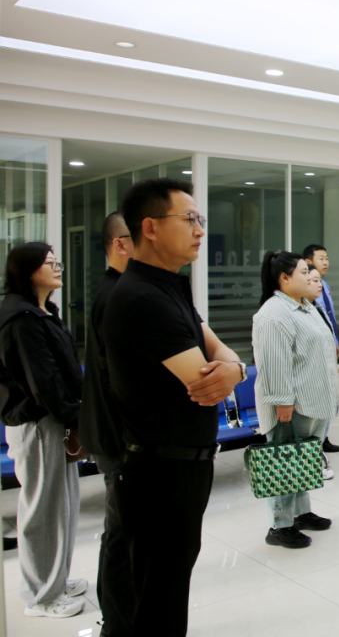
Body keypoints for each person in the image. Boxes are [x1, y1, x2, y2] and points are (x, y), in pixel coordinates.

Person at [102, 178, 245, 636]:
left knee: (167, 590)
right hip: (158, 473)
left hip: (182, 467)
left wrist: (236, 369)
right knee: (158, 604)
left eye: (199, 219)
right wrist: (230, 370)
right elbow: (205, 380)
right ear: (150, 227)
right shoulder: (140, 297)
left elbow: (221, 354)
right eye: (189, 219)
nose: (200, 229)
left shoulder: (169, 288)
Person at [0, 243, 86, 618]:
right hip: (37, 423)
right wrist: (76, 415)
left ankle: (55, 579)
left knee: (62, 505)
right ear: (27, 271)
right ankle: (41, 596)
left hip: (54, 419)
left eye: (57, 262)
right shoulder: (21, 318)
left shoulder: (43, 311)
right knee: (42, 510)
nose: (57, 268)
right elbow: (43, 381)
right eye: (49, 263)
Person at [252, 251, 339, 548]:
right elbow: (275, 363)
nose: (311, 276)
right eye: (304, 272)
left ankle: (301, 513)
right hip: (292, 405)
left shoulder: (305, 306)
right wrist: (283, 404)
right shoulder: (274, 314)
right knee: (284, 462)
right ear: (284, 278)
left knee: (302, 460)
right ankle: (279, 526)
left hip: (313, 399)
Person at [80, 212, 135, 636]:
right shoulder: (115, 295)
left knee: (125, 531)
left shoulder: (121, 290)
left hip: (117, 435)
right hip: (118, 438)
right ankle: (114, 623)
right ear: (120, 244)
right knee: (121, 534)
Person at [302, 244, 339, 454]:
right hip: (316, 351)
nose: (326, 262)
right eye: (321, 258)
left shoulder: (324, 286)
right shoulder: (305, 290)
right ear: (308, 262)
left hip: (329, 344)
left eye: (327, 258)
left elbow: (329, 317)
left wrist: (335, 341)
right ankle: (316, 439)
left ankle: (323, 436)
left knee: (329, 393)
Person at [308, 269, 337, 481]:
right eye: (314, 280)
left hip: (323, 381)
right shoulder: (282, 312)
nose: (320, 285)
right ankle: (310, 466)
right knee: (306, 434)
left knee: (319, 429)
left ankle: (315, 462)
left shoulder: (315, 308)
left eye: (320, 280)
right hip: (308, 385)